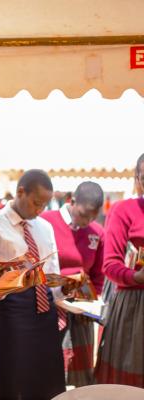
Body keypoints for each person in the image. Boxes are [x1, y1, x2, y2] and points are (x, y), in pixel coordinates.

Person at [0, 169, 76, 400]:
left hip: (45, 316)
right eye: (36, 203)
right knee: (11, 384)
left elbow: (52, 272)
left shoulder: (44, 227)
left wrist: (63, 287)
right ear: (20, 192)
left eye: (44, 204)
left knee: (46, 384)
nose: (40, 210)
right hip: (10, 316)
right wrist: (11, 279)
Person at [42, 181, 105, 387]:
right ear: (72, 201)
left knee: (80, 376)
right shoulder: (45, 222)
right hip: (49, 307)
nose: (88, 221)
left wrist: (91, 304)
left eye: (94, 216)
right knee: (50, 370)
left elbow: (98, 275)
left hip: (81, 312)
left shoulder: (97, 232)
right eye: (84, 214)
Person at [95, 153, 144, 388]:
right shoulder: (123, 210)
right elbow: (110, 264)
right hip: (135, 306)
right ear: (137, 179)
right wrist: (135, 276)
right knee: (130, 385)